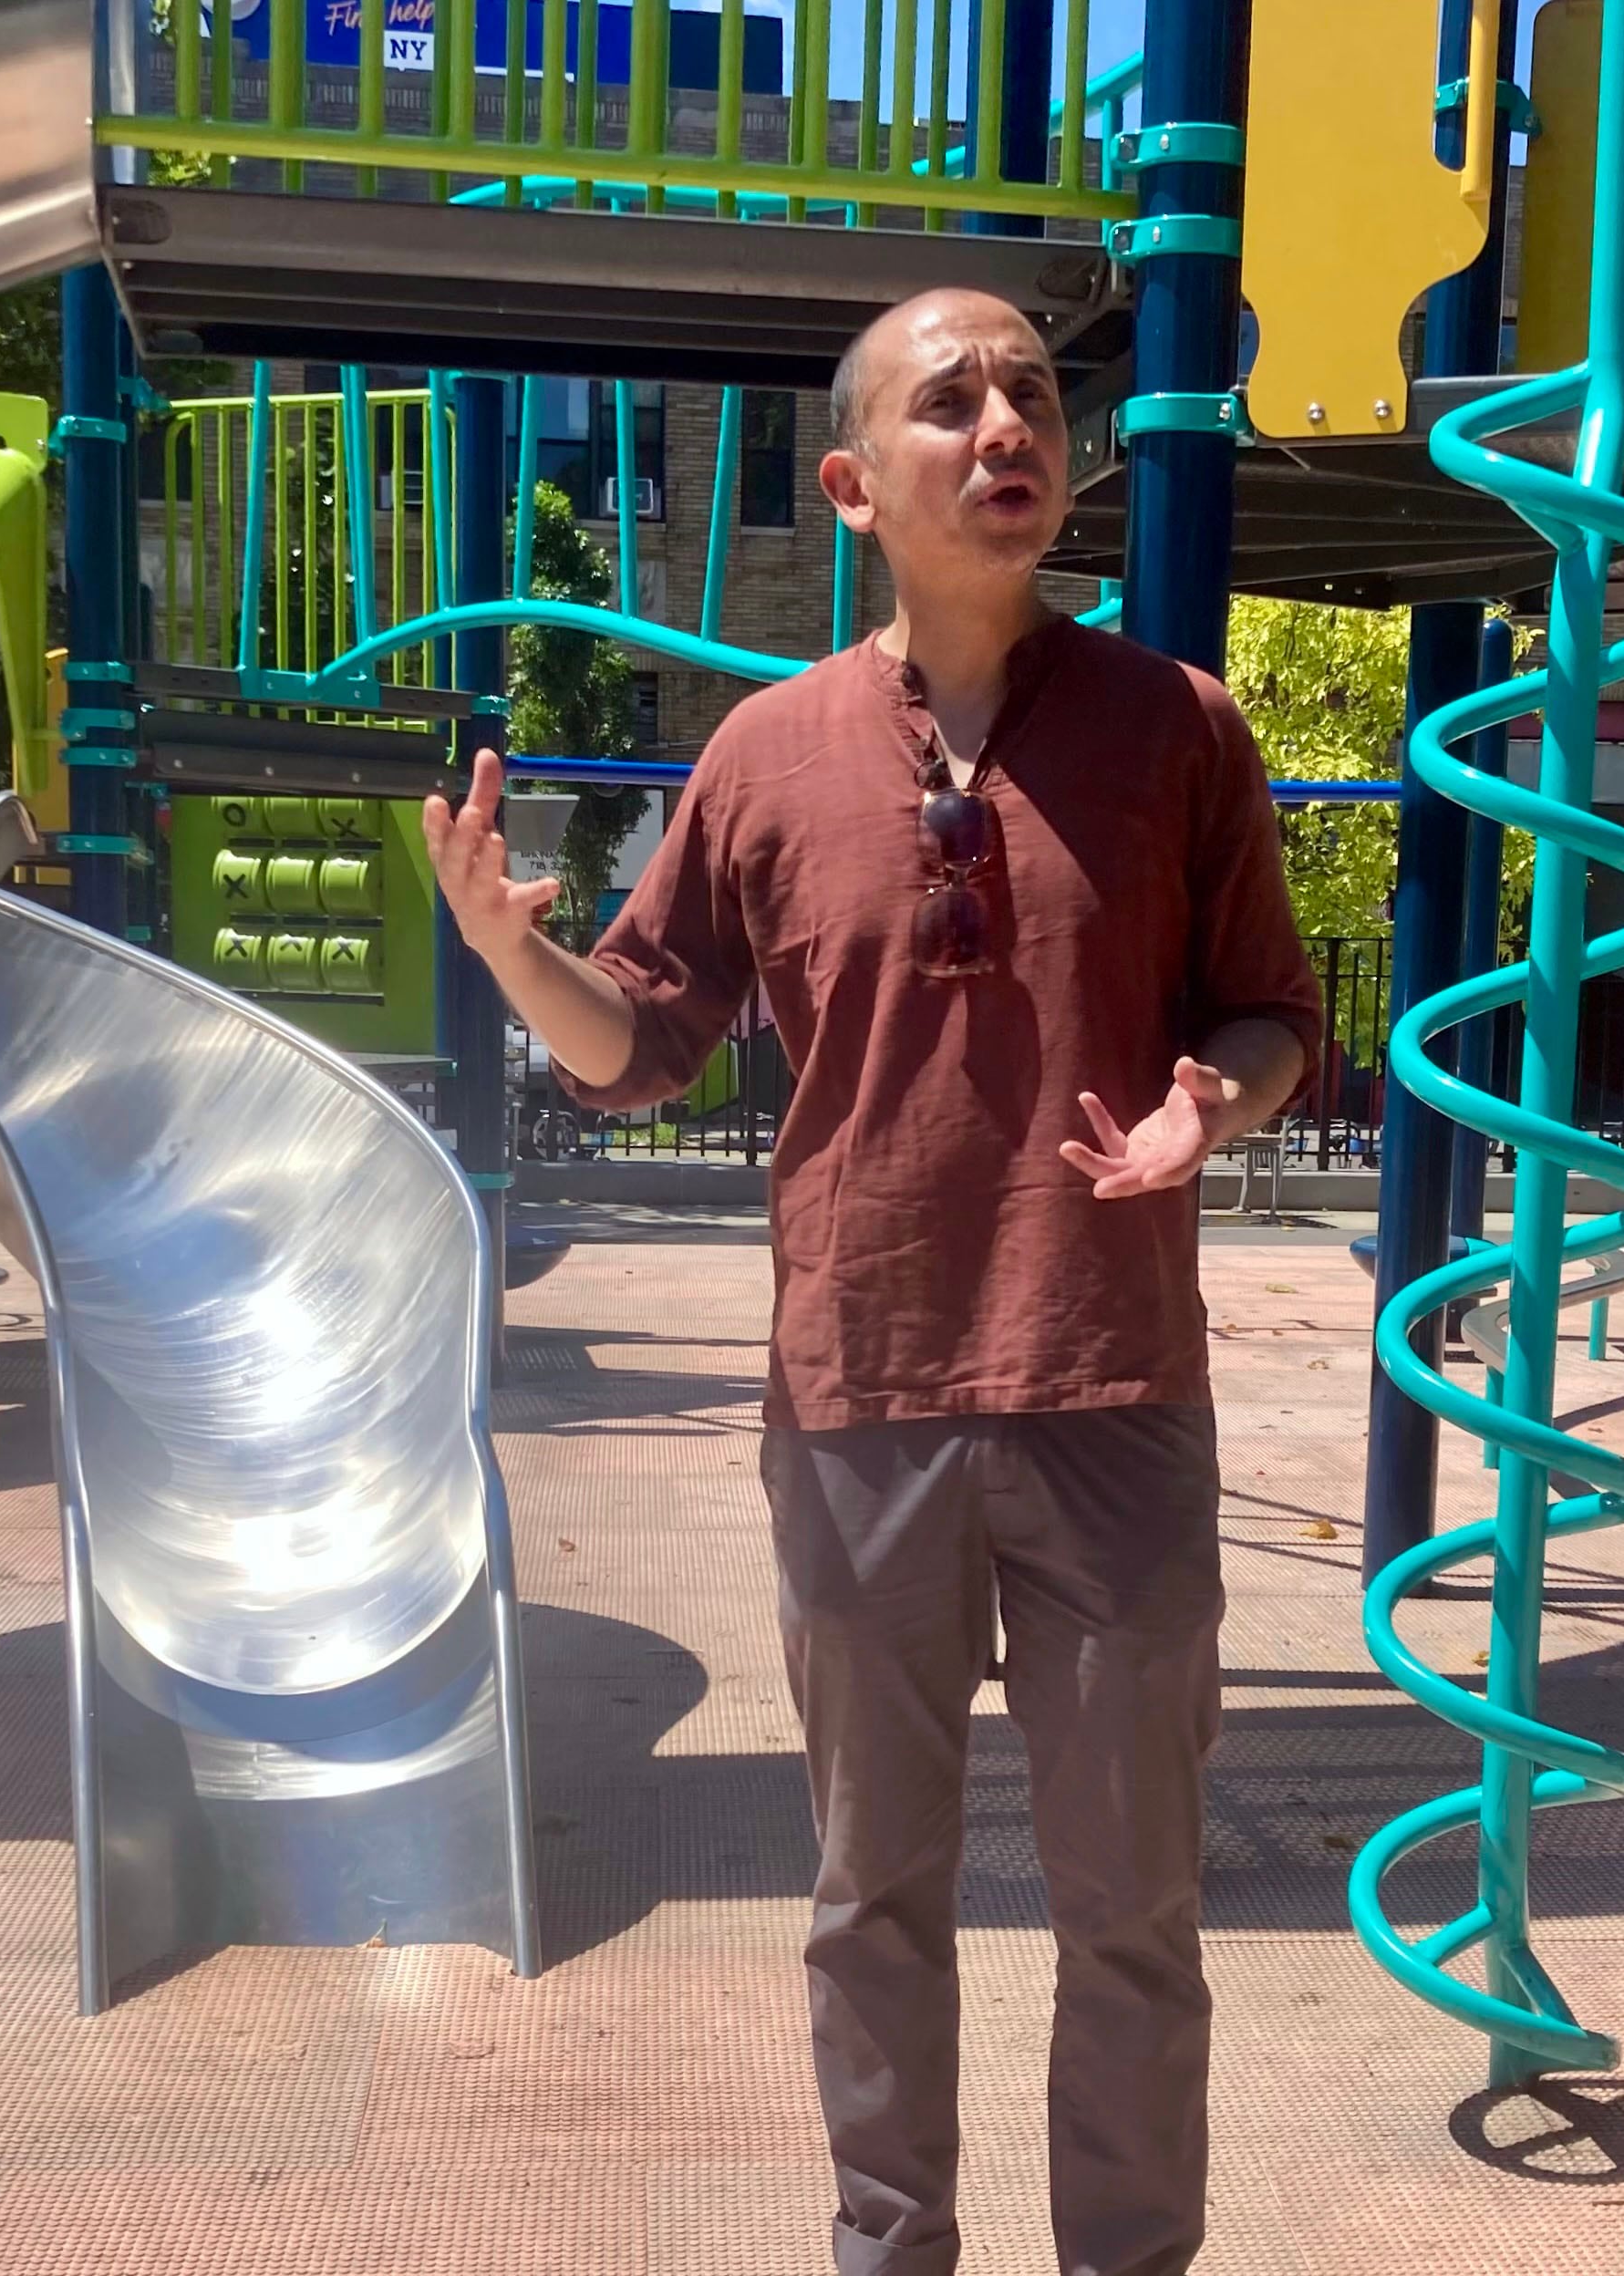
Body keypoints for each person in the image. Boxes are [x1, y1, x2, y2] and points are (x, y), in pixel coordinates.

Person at [424, 287, 1319, 2276]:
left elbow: (1271, 1018)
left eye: (1030, 395)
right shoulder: (764, 756)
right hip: (859, 1409)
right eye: (950, 401)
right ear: (854, 486)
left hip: (1114, 1405)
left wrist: (1212, 1112)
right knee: (873, 1903)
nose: (1005, 423)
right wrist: (509, 958)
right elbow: (637, 1042)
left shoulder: (1178, 728)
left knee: (1133, 1914)